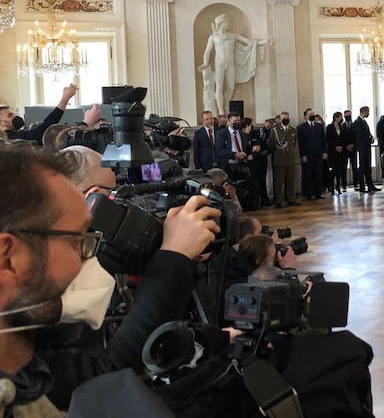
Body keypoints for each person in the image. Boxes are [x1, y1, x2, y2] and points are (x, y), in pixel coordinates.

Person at [0, 142, 220, 414]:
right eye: (76, 241)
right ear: (8, 259)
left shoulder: (22, 383)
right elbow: (101, 384)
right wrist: (173, 259)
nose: (87, 257)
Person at [198, 13, 266, 116]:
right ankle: (221, 111)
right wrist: (205, 63)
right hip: (219, 64)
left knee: (230, 88)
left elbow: (249, 43)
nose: (228, 23)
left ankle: (225, 106)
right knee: (219, 87)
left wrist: (263, 42)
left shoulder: (233, 36)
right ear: (220, 23)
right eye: (226, 22)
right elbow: (207, 51)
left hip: (230, 65)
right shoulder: (213, 37)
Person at [269, 112, 301, 208]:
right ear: (280, 119)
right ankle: (278, 201)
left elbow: (294, 143)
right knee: (279, 182)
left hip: (290, 159)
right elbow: (271, 145)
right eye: (283, 118)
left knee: (291, 181)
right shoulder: (275, 131)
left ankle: (291, 199)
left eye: (287, 118)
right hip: (279, 159)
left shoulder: (293, 130)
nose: (285, 120)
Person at [297, 107, 327, 200]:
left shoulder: (319, 126)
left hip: (319, 154)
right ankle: (308, 194)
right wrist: (303, 155)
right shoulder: (301, 127)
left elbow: (323, 140)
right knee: (308, 175)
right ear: (305, 116)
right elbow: (301, 143)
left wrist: (325, 152)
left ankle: (318, 193)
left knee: (318, 174)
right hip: (308, 155)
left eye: (313, 114)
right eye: (310, 114)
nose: (312, 116)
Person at [354, 106, 380, 192]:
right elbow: (361, 135)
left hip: (366, 147)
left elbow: (368, 133)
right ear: (364, 112)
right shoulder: (357, 122)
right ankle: (361, 186)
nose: (368, 113)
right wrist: (369, 139)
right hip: (362, 147)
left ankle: (370, 185)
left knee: (367, 167)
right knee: (362, 167)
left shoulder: (363, 121)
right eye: (368, 111)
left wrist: (371, 138)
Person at [326, 111, 347, 194]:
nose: (342, 119)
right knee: (333, 170)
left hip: (341, 152)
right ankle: (331, 186)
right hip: (332, 152)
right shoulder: (329, 127)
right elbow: (328, 139)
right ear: (336, 118)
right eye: (340, 117)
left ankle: (338, 186)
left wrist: (342, 146)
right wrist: (335, 147)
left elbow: (344, 138)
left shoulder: (342, 127)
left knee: (340, 170)